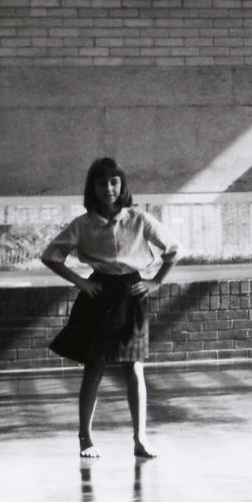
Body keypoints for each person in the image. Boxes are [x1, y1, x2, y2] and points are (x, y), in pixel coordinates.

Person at [41, 157, 178, 459]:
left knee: (134, 368)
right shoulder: (82, 224)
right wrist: (81, 283)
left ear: (122, 185)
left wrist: (155, 282)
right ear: (92, 187)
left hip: (132, 293)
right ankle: (85, 439)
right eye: (101, 183)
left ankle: (140, 439)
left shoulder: (139, 219)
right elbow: (51, 256)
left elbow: (173, 250)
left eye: (114, 182)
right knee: (94, 368)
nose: (108, 189)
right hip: (99, 295)